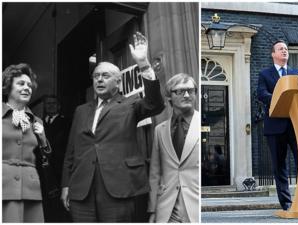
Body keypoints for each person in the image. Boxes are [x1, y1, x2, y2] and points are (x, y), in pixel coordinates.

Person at [60, 32, 165, 222]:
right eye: (96, 76)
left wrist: (144, 64)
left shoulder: (131, 104)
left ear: (118, 81)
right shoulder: (81, 110)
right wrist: (66, 185)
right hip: (81, 191)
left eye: (105, 76)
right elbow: (71, 151)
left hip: (119, 187)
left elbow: (155, 104)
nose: (99, 79)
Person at [257, 40, 298, 211]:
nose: (284, 51)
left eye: (286, 49)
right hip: (275, 126)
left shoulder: (297, 73)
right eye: (280, 49)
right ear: (273, 54)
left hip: (297, 124)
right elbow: (261, 94)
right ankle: (287, 203)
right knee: (279, 166)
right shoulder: (265, 74)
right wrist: (280, 98)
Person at [148, 73, 199, 223]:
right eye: (180, 91)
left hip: (196, 207)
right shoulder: (160, 130)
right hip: (167, 209)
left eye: (191, 90)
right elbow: (155, 173)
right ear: (169, 97)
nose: (187, 95)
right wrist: (152, 210)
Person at [2, 63, 49, 222]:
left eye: (29, 85)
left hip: (31, 190)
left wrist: (43, 139)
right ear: (8, 87)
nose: (27, 88)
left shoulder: (36, 121)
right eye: (21, 84)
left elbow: (47, 159)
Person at [41, 95, 71, 222]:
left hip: (60, 167)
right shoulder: (38, 122)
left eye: (54, 103)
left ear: (59, 106)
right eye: (48, 103)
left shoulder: (67, 122)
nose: (51, 105)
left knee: (60, 202)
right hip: (43, 168)